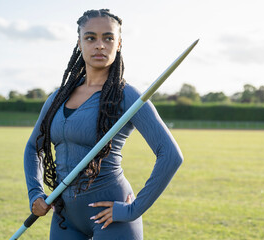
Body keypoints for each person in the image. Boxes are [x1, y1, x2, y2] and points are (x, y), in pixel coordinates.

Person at [24, 9, 183, 240]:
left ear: (118, 44)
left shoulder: (128, 96)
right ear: (79, 43)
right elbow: (33, 148)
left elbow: (170, 155)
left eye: (108, 38)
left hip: (112, 216)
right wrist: (35, 193)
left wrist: (133, 209)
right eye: (90, 38)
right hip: (65, 218)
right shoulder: (57, 97)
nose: (100, 45)